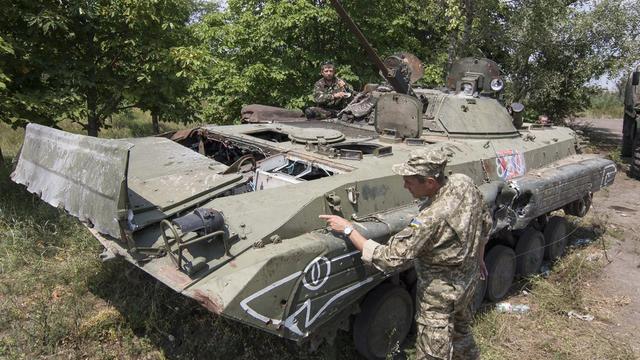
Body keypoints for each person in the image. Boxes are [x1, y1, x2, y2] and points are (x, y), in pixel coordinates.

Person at [319, 148, 492, 360]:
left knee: (432, 353)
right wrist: (480, 257)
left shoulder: (431, 219)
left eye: (409, 182)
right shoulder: (463, 183)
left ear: (429, 182)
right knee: (460, 333)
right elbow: (485, 222)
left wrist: (348, 229)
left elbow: (390, 258)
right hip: (468, 281)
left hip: (440, 295)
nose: (405, 186)